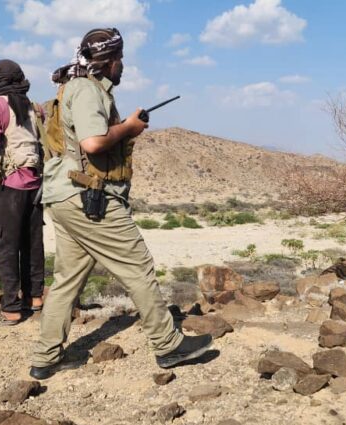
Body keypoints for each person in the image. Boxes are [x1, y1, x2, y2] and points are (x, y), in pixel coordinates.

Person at [30, 28, 212, 379]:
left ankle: (45, 357)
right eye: (120, 59)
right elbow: (93, 143)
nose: (123, 65)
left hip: (65, 196)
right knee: (138, 267)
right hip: (89, 197)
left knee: (67, 279)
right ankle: (168, 346)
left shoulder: (72, 87)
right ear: (108, 60)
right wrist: (128, 128)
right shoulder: (86, 89)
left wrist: (127, 124)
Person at [0, 59, 45, 325]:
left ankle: (11, 310)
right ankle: (34, 299)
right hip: (36, 185)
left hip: (8, 186)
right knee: (32, 244)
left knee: (6, 247)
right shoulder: (34, 107)